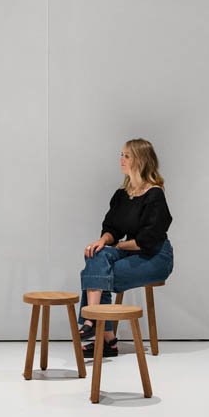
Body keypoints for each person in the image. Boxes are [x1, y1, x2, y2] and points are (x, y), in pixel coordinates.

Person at [79, 138, 174, 359]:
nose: (121, 159)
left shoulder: (155, 195)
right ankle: (99, 330)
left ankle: (98, 329)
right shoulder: (122, 194)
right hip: (131, 251)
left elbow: (147, 240)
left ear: (140, 160)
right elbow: (112, 227)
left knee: (98, 274)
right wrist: (103, 240)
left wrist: (117, 245)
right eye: (121, 154)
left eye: (127, 155)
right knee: (96, 255)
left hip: (155, 256)